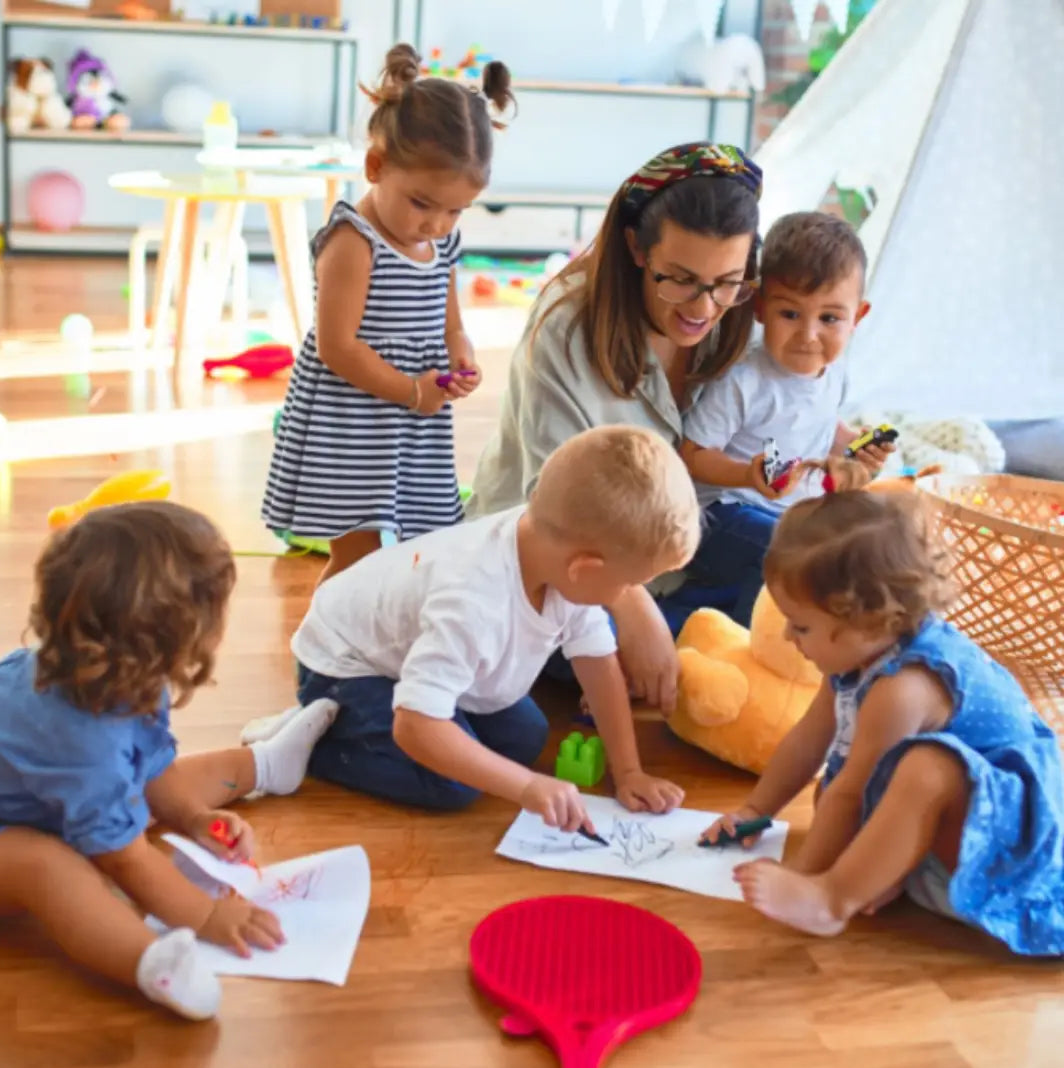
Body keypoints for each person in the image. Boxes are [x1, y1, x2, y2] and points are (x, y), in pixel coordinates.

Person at [0, 503, 338, 1019]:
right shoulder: (84, 746)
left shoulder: (121, 674)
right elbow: (124, 861)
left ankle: (264, 764)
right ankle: (151, 963)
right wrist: (207, 916)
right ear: (170, 635)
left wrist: (193, 819)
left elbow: (152, 770)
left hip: (28, 796)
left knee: (138, 791)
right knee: (46, 866)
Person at [244, 426, 696, 828]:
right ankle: (311, 738)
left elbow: (598, 666)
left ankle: (350, 724)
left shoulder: (556, 551)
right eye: (633, 583)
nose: (633, 594)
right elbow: (416, 727)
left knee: (525, 739)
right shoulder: (474, 601)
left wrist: (630, 771)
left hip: (404, 651)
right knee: (451, 785)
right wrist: (525, 788)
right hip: (344, 664)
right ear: (583, 568)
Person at [703, 484, 1064, 956]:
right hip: (954, 839)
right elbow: (807, 742)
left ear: (870, 620)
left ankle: (834, 900)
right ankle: (886, 874)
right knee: (831, 788)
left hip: (1012, 850)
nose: (789, 636)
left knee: (922, 769)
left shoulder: (904, 687)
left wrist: (802, 879)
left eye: (802, 626)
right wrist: (755, 811)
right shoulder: (855, 657)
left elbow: (857, 791)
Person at [466, 141, 763, 715]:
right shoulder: (566, 326)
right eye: (679, 279)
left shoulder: (739, 311)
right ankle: (679, 661)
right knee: (581, 637)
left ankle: (679, 662)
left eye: (727, 281)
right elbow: (552, 514)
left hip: (673, 554)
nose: (704, 308)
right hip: (567, 565)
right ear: (635, 247)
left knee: (793, 563)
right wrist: (632, 607)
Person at [262, 43, 514, 584]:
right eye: (423, 203)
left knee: (421, 546)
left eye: (455, 210)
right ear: (376, 166)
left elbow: (450, 323)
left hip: (413, 420)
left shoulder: (443, 243)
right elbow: (337, 346)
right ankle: (324, 651)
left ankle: (382, 633)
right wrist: (410, 390)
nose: (437, 225)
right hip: (352, 420)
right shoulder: (355, 242)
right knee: (357, 553)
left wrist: (461, 357)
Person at [680, 211, 892, 627]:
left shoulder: (835, 373)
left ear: (857, 317)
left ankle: (708, 608)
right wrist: (747, 475)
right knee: (784, 554)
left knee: (867, 541)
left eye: (829, 318)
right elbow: (691, 453)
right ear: (760, 308)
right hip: (722, 512)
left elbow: (818, 425)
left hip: (791, 515)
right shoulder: (745, 378)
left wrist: (855, 447)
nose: (808, 335)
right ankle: (746, 651)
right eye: (790, 314)